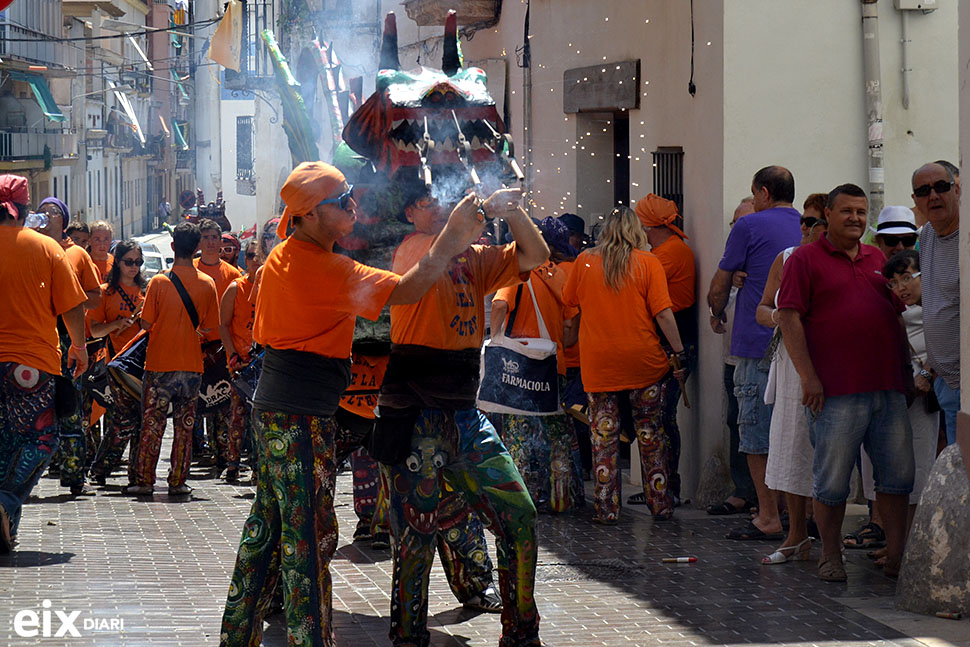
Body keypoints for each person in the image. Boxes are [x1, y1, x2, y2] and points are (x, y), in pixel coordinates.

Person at [219, 161, 493, 647]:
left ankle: (236, 635)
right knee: (308, 537)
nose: (352, 204)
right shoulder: (321, 266)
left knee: (268, 526)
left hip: (284, 411)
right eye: (340, 200)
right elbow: (406, 291)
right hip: (299, 418)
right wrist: (449, 241)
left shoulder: (287, 254)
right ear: (307, 214)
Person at [380, 178, 549, 647]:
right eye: (426, 201)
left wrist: (511, 211)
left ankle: (521, 632)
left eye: (442, 198)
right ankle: (408, 636)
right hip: (417, 416)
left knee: (520, 514)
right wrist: (472, 215)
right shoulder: (413, 249)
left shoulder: (473, 257)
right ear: (410, 214)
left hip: (462, 414)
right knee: (416, 537)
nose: (438, 207)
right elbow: (441, 250)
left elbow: (535, 256)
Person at [777, 183, 914, 582]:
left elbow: (899, 315)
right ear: (828, 216)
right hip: (833, 392)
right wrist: (809, 378)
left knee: (896, 478)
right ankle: (831, 555)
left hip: (887, 388)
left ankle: (897, 557)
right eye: (847, 211)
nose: (856, 218)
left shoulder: (878, 257)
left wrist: (907, 375)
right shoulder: (804, 259)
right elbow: (788, 318)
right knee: (832, 481)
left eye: (861, 212)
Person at [563, 206, 688, 524]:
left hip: (599, 363)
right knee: (650, 433)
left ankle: (606, 508)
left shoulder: (585, 261)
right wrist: (678, 351)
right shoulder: (649, 262)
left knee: (603, 436)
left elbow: (570, 305)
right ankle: (660, 503)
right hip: (643, 361)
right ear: (637, 232)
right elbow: (662, 313)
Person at [707, 166, 801, 540]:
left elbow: (720, 282)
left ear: (763, 193)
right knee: (794, 433)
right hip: (796, 344)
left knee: (755, 434)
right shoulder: (806, 226)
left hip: (755, 341)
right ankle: (795, 514)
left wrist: (716, 313)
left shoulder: (748, 226)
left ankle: (767, 516)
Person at [0, 174, 88, 552]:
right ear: (24, 210)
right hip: (31, 366)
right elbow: (72, 306)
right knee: (42, 440)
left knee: (4, 445)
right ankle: (5, 502)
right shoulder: (47, 249)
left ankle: (6, 531)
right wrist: (79, 348)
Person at [491, 216, 583, 513]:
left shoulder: (519, 272)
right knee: (558, 434)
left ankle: (524, 500)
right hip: (554, 363)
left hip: (522, 366)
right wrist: (561, 344)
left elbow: (500, 304)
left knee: (520, 435)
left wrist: (497, 341)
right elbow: (572, 321)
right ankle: (562, 498)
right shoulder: (558, 274)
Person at [756, 193, 828, 565]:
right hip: (790, 365)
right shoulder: (786, 259)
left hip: (829, 362)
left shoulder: (836, 261)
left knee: (828, 450)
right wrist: (781, 318)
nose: (807, 229)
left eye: (815, 222)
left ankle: (828, 537)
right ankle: (796, 533)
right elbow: (763, 307)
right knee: (793, 444)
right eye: (804, 221)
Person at [856, 250, 939, 570]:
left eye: (908, 278)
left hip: (921, 398)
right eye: (893, 282)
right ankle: (897, 544)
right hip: (892, 395)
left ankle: (909, 548)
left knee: (918, 468)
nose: (901, 287)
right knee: (889, 471)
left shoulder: (936, 310)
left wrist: (927, 375)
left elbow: (943, 344)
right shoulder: (894, 312)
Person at [125, 222, 220, 496]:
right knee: (185, 426)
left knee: (153, 424)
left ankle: (144, 480)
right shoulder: (208, 283)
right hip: (191, 365)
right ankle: (178, 481)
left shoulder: (158, 282)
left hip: (159, 364)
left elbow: (145, 323)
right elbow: (210, 326)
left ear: (173, 246)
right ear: (197, 248)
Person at [34, 196, 102, 495]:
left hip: (66, 338)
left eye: (53, 212)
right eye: (42, 212)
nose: (48, 217)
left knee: (71, 407)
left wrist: (67, 300)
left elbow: (96, 296)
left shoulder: (76, 254)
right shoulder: (29, 248)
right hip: (34, 336)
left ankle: (74, 474)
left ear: (63, 219)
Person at [635, 193, 696, 505]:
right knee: (657, 416)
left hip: (673, 344)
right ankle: (660, 484)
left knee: (661, 416)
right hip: (670, 341)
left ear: (647, 227)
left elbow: (636, 286)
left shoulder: (667, 255)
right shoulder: (669, 250)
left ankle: (667, 486)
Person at [707, 196, 757, 516]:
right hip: (732, 359)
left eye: (744, 224)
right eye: (735, 224)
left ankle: (763, 497)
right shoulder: (731, 261)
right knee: (735, 423)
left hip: (758, 359)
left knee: (758, 428)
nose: (738, 230)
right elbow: (715, 300)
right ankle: (743, 490)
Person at [87, 240, 147, 485]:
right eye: (128, 262)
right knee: (120, 420)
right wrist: (116, 324)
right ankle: (101, 467)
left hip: (142, 364)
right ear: (118, 262)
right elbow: (94, 330)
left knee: (143, 421)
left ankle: (137, 473)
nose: (134, 267)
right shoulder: (105, 293)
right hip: (116, 364)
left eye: (138, 262)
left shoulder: (148, 291)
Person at [912, 162, 960, 446]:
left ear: (957, 190)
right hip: (945, 380)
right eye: (923, 190)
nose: (933, 196)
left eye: (941, 187)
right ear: (915, 199)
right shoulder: (927, 234)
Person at [194, 218, 243, 474]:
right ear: (199, 242)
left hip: (221, 347)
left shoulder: (232, 274)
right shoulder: (189, 269)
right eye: (206, 237)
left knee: (222, 404)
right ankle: (193, 450)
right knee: (194, 403)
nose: (212, 242)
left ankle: (222, 455)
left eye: (216, 237)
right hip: (194, 347)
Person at [217, 238, 262, 482]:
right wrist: (232, 354)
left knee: (259, 421)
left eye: (260, 256)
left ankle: (257, 466)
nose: (256, 261)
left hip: (263, 364)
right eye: (252, 256)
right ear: (246, 259)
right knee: (236, 417)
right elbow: (223, 325)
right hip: (240, 364)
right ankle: (232, 463)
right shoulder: (236, 288)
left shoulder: (271, 288)